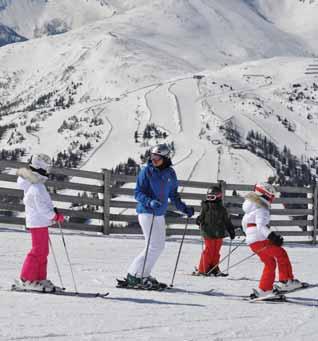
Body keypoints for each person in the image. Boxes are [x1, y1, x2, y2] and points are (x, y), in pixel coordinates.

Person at [121, 144, 194, 289]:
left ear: (166, 159)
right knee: (152, 246)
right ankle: (134, 275)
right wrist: (149, 201)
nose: (154, 160)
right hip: (147, 212)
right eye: (152, 157)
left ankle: (144, 274)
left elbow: (173, 195)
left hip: (159, 214)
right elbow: (137, 192)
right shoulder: (146, 171)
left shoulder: (170, 174)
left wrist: (183, 208)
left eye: (157, 158)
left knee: (159, 246)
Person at [241, 182, 302, 299]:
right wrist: (272, 237)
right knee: (281, 254)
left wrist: (250, 236)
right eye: (271, 195)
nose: (272, 198)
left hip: (253, 242)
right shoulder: (261, 208)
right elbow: (261, 226)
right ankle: (286, 281)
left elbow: (245, 225)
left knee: (270, 263)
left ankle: (264, 289)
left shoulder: (250, 209)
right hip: (261, 239)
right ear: (265, 194)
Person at [14, 154, 65, 292]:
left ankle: (39, 278)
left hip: (40, 222)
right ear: (41, 169)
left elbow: (43, 205)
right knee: (38, 251)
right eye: (47, 167)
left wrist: (53, 214)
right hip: (37, 223)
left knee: (43, 251)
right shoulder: (36, 188)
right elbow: (42, 208)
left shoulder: (36, 185)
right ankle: (26, 278)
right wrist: (55, 216)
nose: (48, 170)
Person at [195, 186, 235, 276]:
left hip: (219, 233)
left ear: (218, 197)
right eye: (208, 197)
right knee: (209, 250)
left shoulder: (222, 209)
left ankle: (213, 268)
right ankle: (203, 269)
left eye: (212, 197)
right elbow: (201, 217)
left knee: (216, 251)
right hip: (208, 232)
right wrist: (198, 220)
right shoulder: (205, 207)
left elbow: (227, 221)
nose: (209, 199)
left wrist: (231, 230)